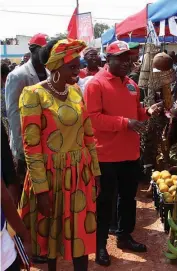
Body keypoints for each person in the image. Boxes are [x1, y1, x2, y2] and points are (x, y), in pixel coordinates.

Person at [18, 39, 100, 271]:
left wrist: (96, 173)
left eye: (78, 66)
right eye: (72, 67)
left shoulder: (76, 92)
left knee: (80, 234)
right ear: (55, 67)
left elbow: (88, 135)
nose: (78, 71)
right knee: (52, 234)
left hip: (80, 175)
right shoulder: (33, 94)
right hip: (50, 175)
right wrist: (40, 189)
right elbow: (31, 146)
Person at [84, 41, 162, 267]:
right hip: (106, 156)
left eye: (129, 59)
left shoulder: (131, 85)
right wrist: (125, 123)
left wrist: (147, 111)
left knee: (128, 198)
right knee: (105, 201)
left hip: (130, 153)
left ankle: (124, 236)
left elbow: (135, 111)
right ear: (108, 60)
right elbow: (92, 118)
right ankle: (100, 246)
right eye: (121, 58)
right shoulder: (95, 84)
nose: (127, 63)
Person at [4, 33, 49, 264]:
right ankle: (24, 244)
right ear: (31, 49)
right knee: (25, 197)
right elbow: (13, 113)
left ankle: (42, 241)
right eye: (40, 49)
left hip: (47, 149)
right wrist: (21, 147)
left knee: (43, 197)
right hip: (26, 149)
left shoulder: (51, 74)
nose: (43, 53)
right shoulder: (18, 75)